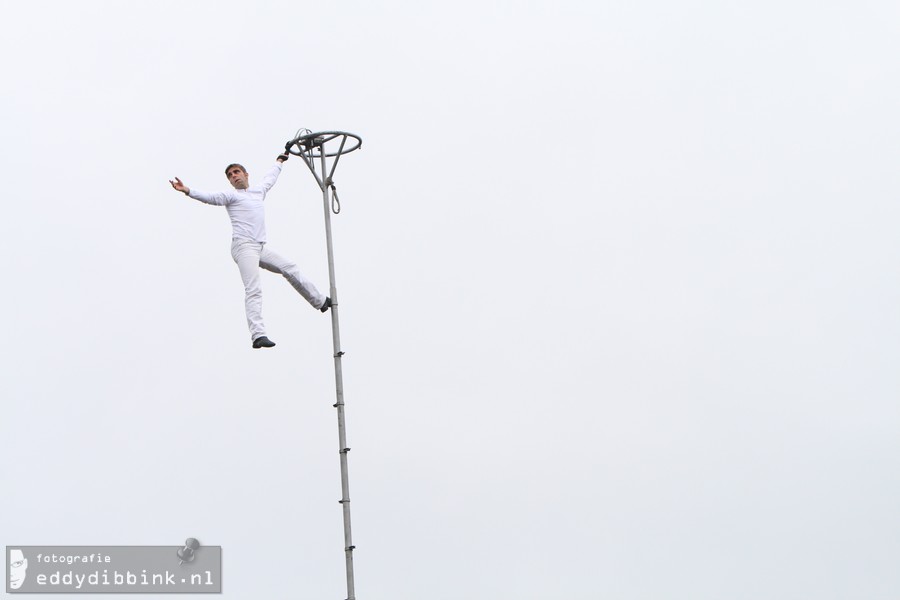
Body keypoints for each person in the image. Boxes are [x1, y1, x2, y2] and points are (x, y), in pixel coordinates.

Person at [169, 152, 330, 349]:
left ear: (246, 174)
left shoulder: (258, 191)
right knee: (253, 288)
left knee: (290, 268)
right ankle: (258, 335)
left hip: (259, 246)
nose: (233, 176)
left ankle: (320, 301)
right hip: (243, 246)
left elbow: (270, 179)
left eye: (236, 172)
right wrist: (187, 190)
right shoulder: (231, 196)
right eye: (229, 175)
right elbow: (210, 198)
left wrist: (280, 161)